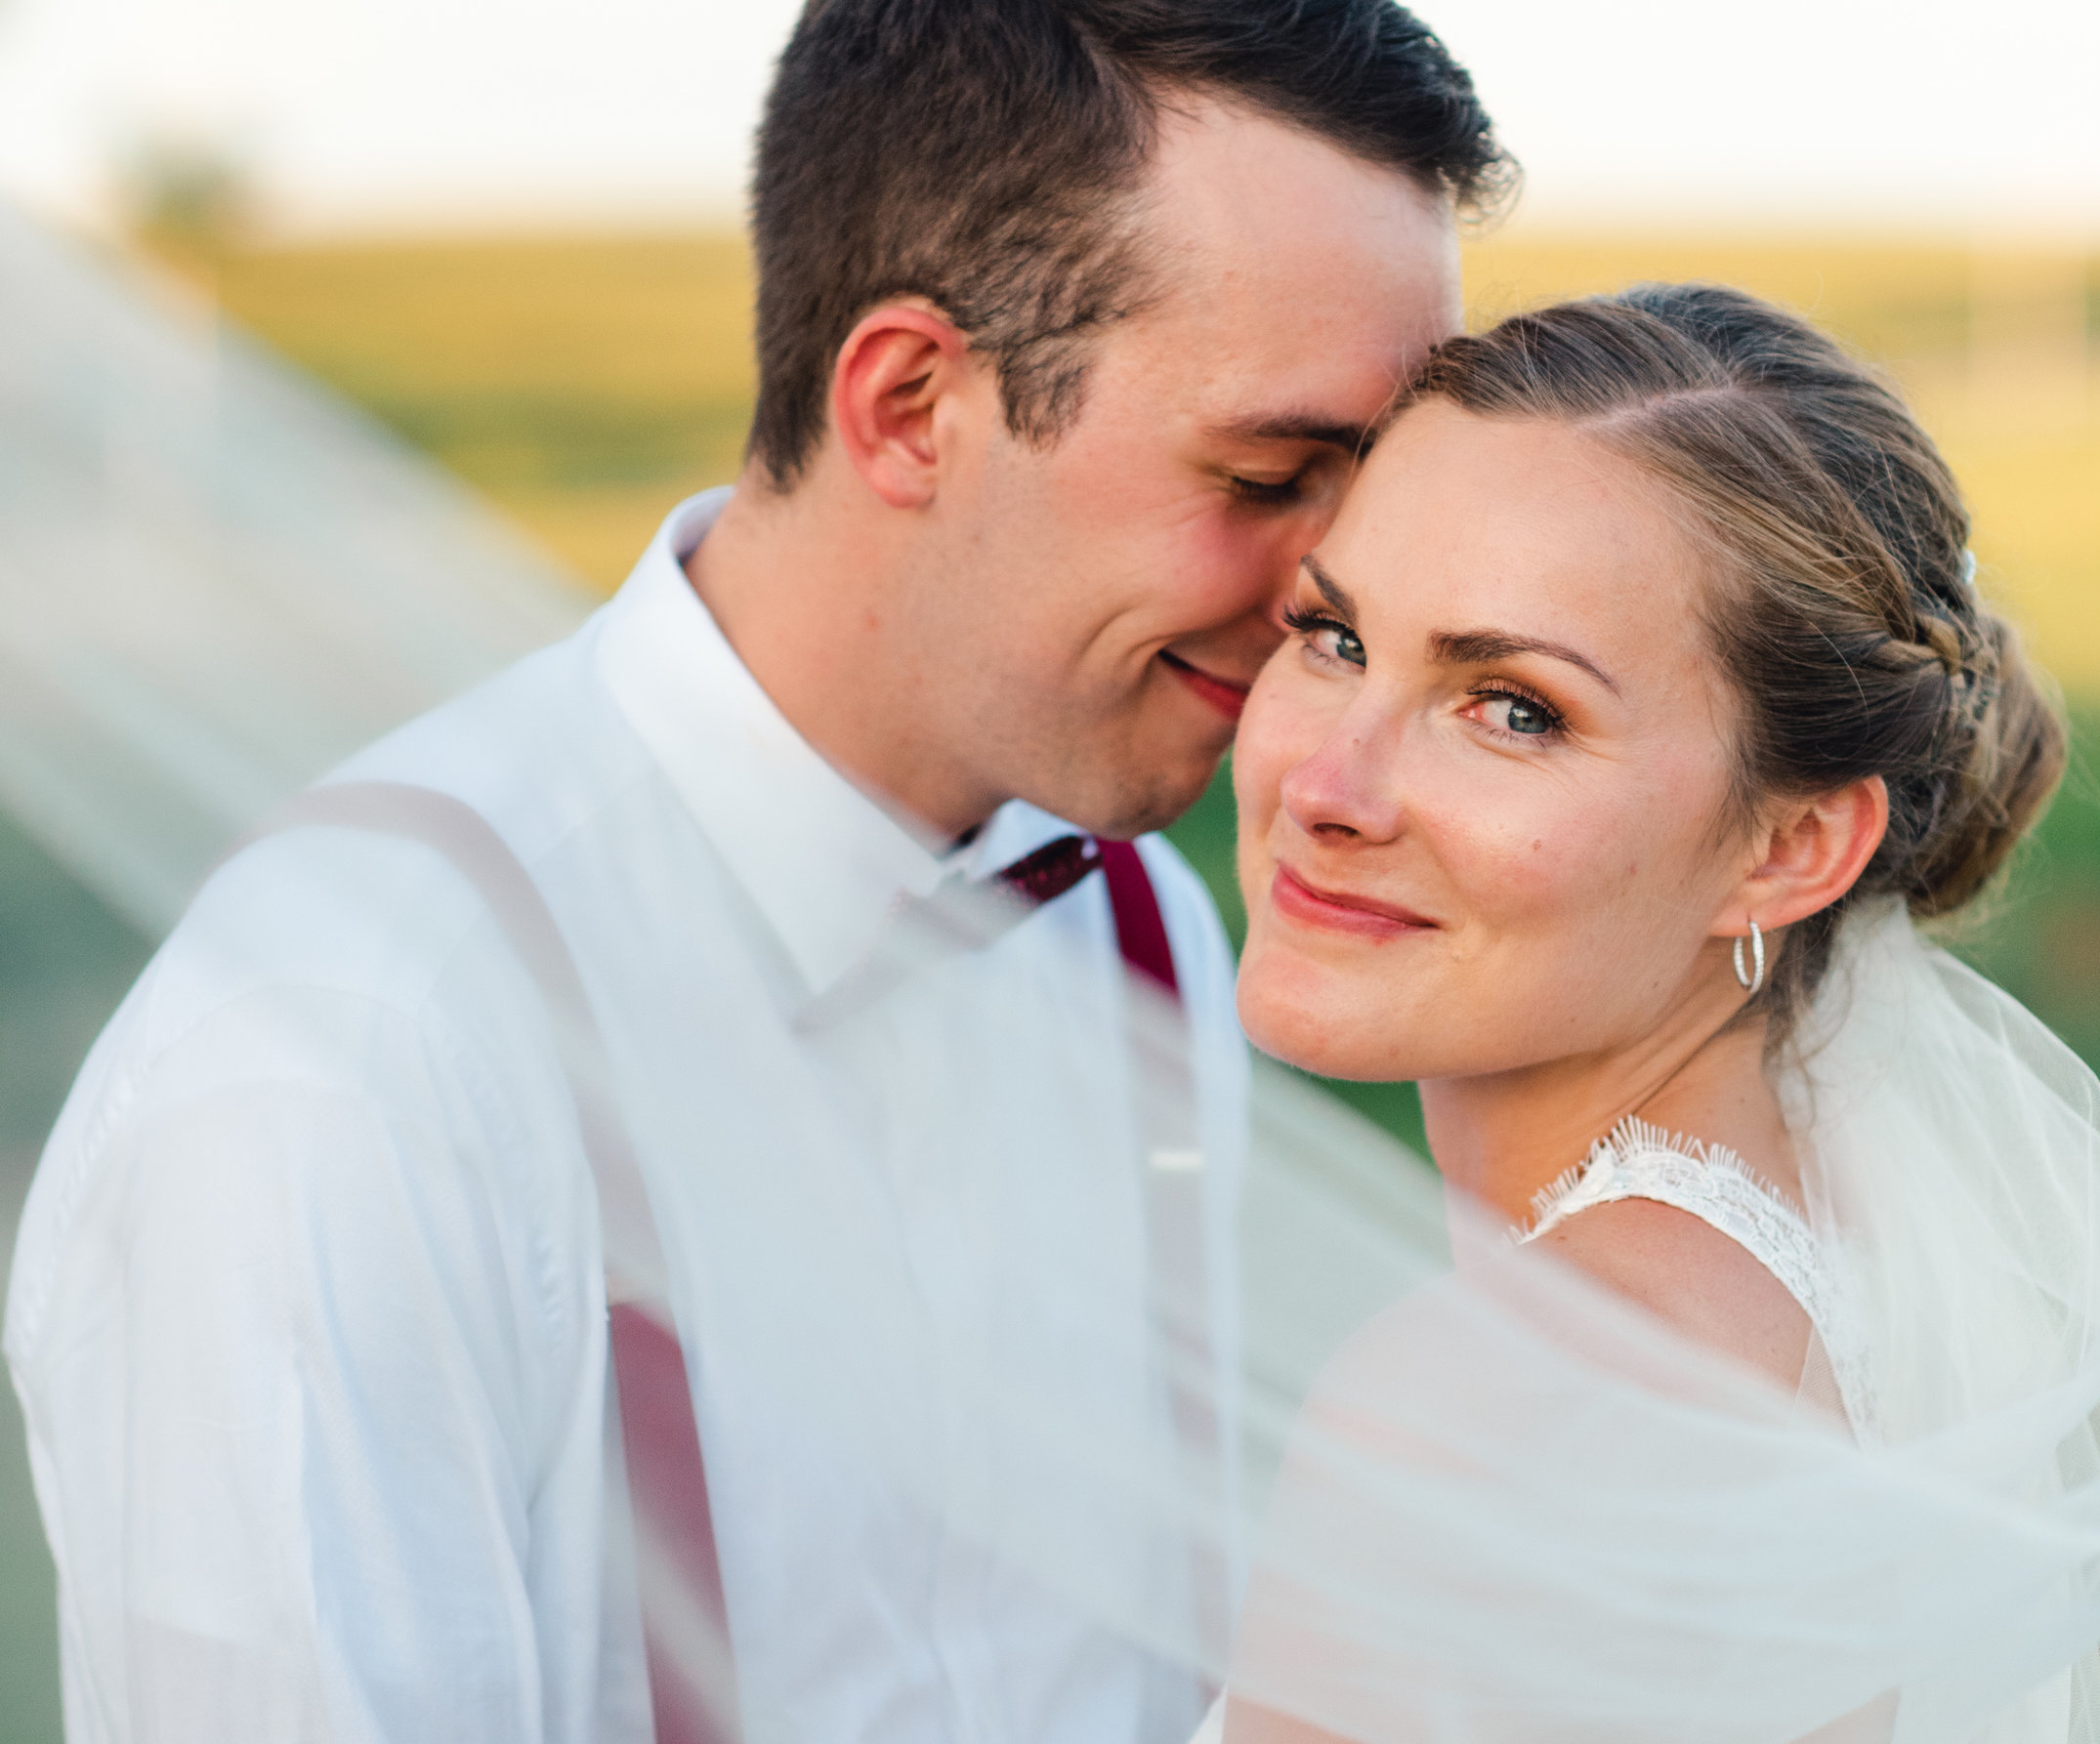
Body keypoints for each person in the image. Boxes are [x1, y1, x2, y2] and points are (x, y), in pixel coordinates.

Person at [2, 3, 1506, 1739]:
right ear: (912, 404)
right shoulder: (346, 1057)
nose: (1340, 592)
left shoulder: (1141, 918)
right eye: (1271, 475)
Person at [1206, 286, 2100, 1743]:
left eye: (1512, 706)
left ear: (1788, 848)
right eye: (1333, 634)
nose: (1325, 785)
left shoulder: (1483, 1405)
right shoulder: (1818, 1293)